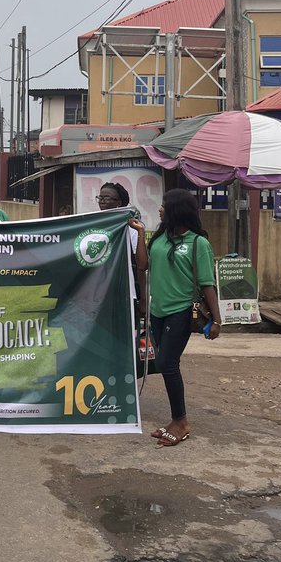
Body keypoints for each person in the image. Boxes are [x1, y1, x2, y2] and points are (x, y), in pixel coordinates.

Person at [147, 189, 220, 447]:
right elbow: (144, 265)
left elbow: (207, 284)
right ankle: (175, 420)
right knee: (164, 363)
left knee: (168, 363)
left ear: (177, 210)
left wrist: (217, 320)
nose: (160, 209)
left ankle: (181, 421)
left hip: (180, 311)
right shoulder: (159, 239)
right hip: (157, 312)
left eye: (164, 205)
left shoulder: (198, 243)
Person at [96, 182, 148, 283]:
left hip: (122, 281)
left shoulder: (131, 227)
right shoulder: (95, 225)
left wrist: (142, 294)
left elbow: (139, 264)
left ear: (119, 203)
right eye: (100, 197)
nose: (102, 201)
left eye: (106, 198)